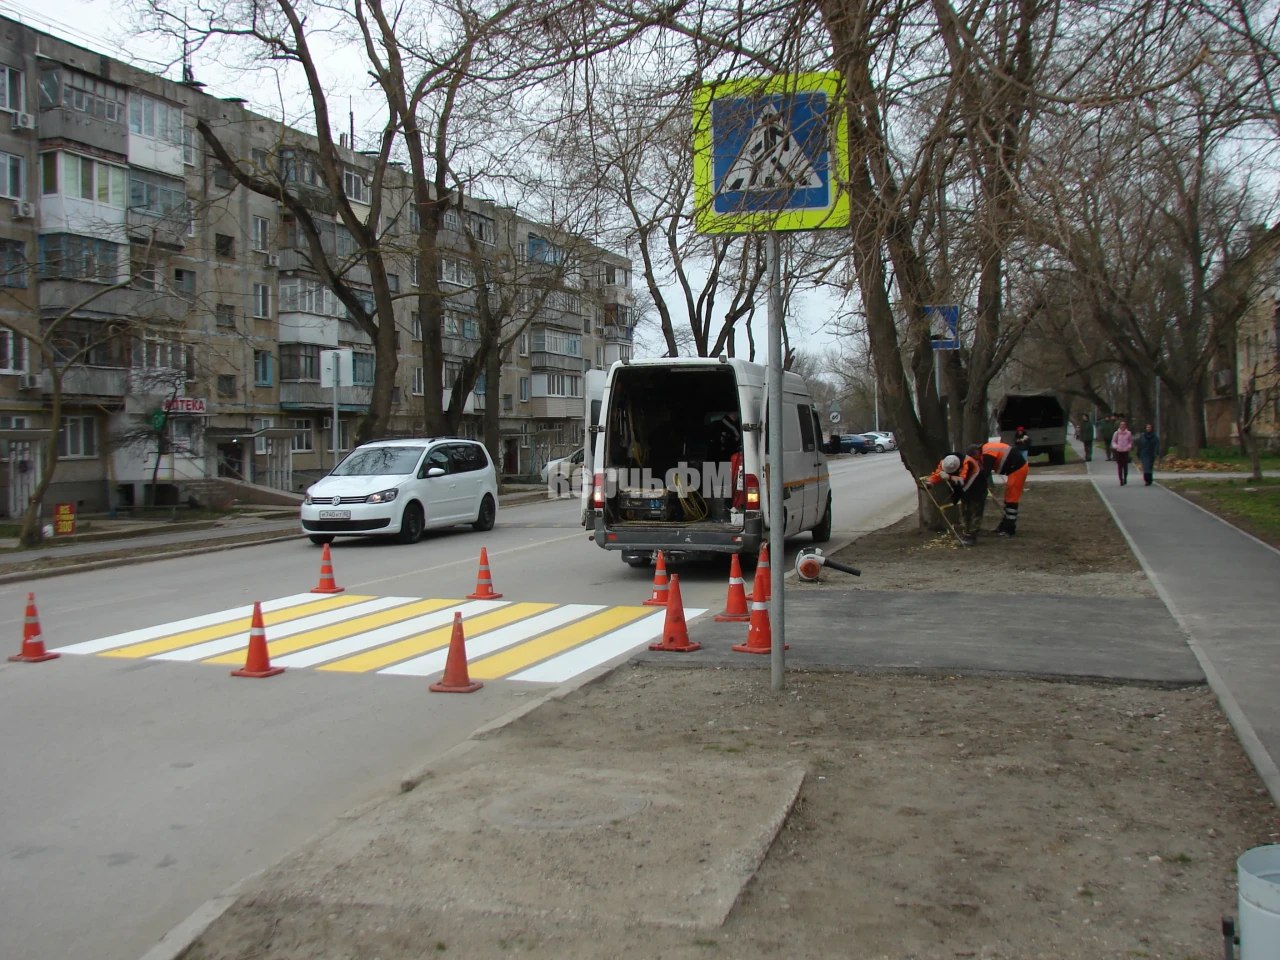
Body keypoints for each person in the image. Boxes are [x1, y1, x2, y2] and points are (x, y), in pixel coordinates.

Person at [925, 447, 988, 546]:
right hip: (963, 489)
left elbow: (962, 480)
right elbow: (938, 473)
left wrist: (949, 477)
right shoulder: (946, 462)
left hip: (977, 488)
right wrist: (930, 482)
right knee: (965, 511)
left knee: (975, 512)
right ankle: (967, 533)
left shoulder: (968, 463)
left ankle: (972, 536)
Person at [978, 439, 1029, 536]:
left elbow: (986, 471)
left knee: (1011, 500)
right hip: (1015, 469)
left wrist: (979, 484)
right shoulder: (988, 448)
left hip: (1018, 469)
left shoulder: (987, 451)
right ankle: (1004, 525)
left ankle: (1009, 529)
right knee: (1008, 499)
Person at [1111, 420, 1134, 485]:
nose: (1122, 426)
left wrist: (1129, 446)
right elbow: (1113, 441)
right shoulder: (1116, 433)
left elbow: (1130, 441)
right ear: (1119, 426)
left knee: (1125, 466)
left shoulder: (1128, 433)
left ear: (1125, 426)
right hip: (1119, 451)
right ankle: (1121, 479)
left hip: (1125, 451)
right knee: (1119, 466)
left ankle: (1125, 478)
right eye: (1121, 425)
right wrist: (1116, 446)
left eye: (1124, 425)